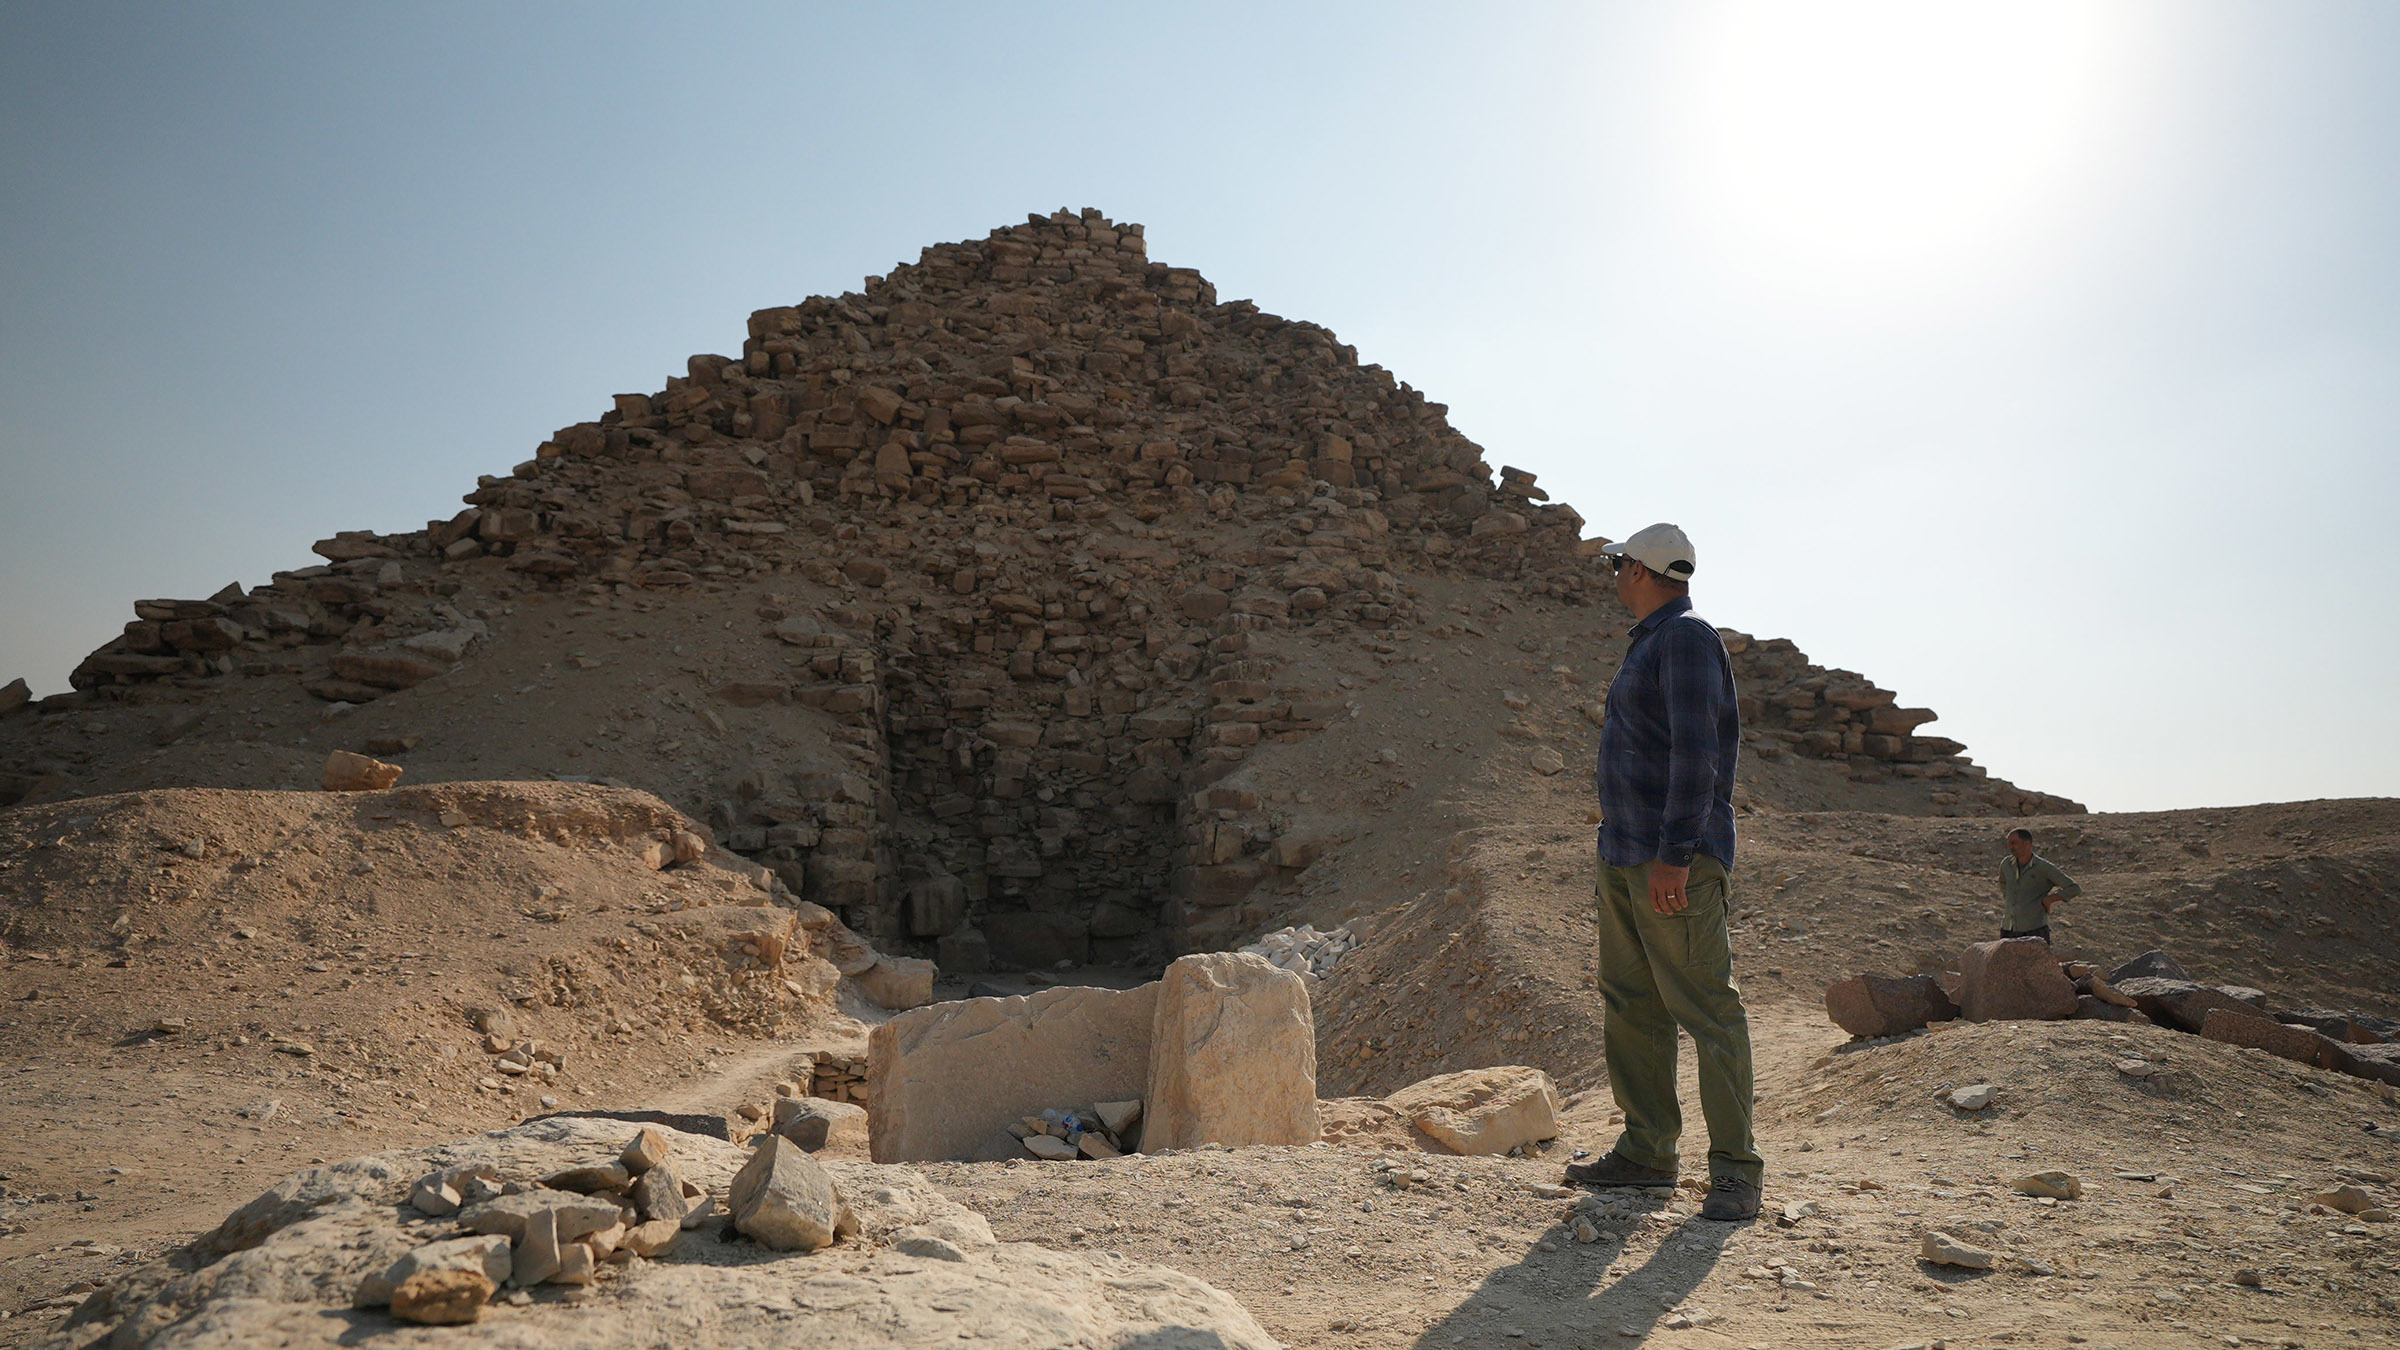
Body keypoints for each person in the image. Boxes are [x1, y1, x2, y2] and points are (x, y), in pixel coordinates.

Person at [1564, 521, 1763, 1222]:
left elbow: (1697, 754)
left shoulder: (1684, 639)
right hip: (1624, 851)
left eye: (1619, 565)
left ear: (1642, 573)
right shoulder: (1654, 641)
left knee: (1707, 1008)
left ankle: (1735, 1170)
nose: (1615, 576)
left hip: (1668, 860)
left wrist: (1676, 856)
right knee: (1632, 1003)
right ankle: (1648, 1153)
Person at [1998, 827, 2080, 942]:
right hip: (2008, 928)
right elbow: (2002, 882)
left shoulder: (2043, 867)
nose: (2011, 847)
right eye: (2009, 843)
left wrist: (2049, 899)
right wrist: (2009, 898)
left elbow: (2074, 888)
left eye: (2014, 843)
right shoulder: (2006, 864)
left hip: (2034, 929)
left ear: (2027, 843)